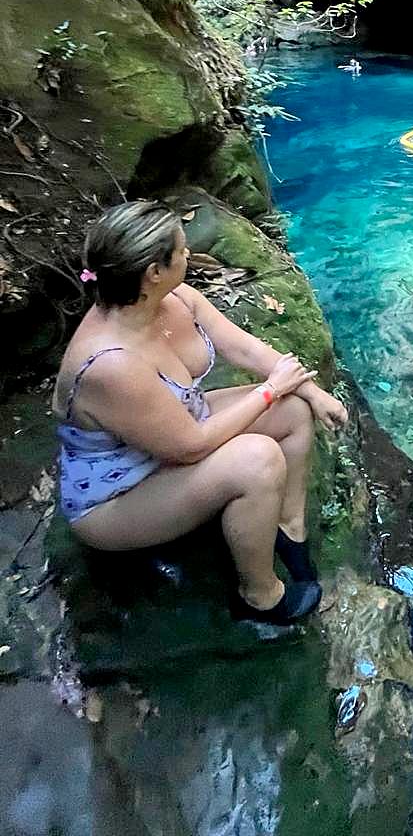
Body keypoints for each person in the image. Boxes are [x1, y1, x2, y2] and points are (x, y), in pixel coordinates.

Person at [54, 200, 348, 626]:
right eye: (180, 249)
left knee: (295, 409)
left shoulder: (174, 298)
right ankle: (259, 597)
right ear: (153, 272)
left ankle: (288, 527)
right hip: (120, 494)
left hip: (178, 428)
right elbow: (190, 447)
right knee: (257, 460)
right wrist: (268, 391)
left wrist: (313, 392)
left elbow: (244, 349)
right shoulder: (110, 364)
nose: (189, 252)